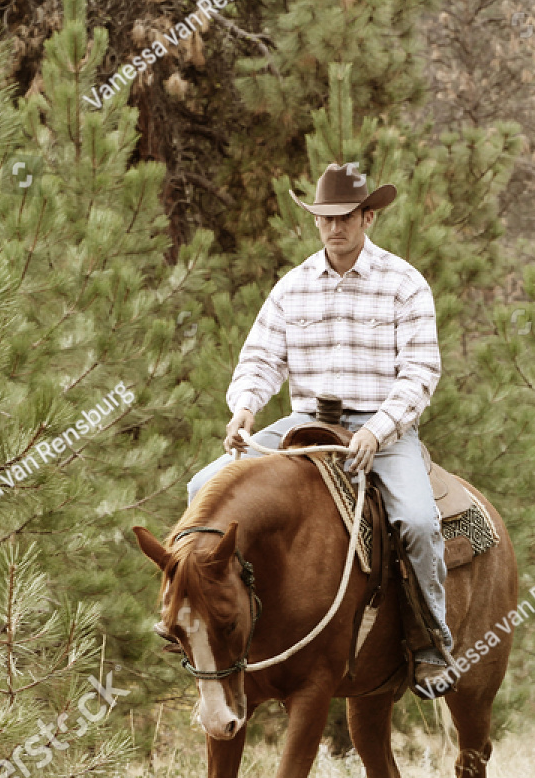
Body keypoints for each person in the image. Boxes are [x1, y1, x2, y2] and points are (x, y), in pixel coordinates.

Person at [182, 162, 457, 696]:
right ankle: (218, 622)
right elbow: (261, 359)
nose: (336, 227)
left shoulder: (404, 284)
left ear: (368, 217)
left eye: (347, 216)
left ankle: (431, 642)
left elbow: (421, 371)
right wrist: (243, 409)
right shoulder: (294, 287)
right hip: (304, 424)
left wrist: (377, 430)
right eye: (325, 217)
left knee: (419, 522)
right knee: (201, 487)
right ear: (315, 222)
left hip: (383, 430)